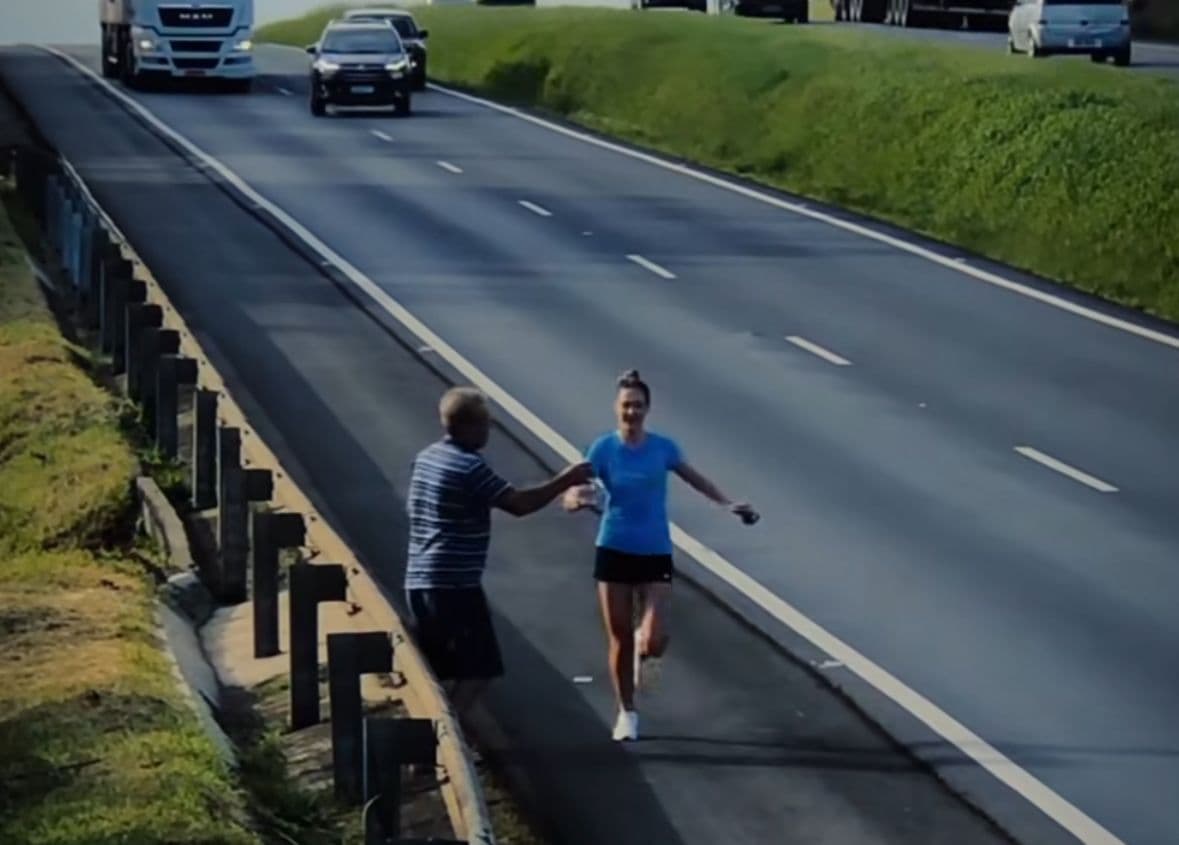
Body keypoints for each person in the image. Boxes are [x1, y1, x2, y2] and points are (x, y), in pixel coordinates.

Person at [564, 369, 758, 741]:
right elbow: (574, 487)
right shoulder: (602, 449)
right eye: (626, 405)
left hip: (654, 550)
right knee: (619, 637)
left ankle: (647, 652)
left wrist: (727, 503)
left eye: (638, 405)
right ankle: (627, 712)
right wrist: (575, 500)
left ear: (647, 409)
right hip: (614, 548)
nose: (631, 412)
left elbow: (694, 478)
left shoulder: (662, 448)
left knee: (653, 639)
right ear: (616, 408)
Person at [405, 386, 593, 718]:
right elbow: (518, 504)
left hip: (419, 580)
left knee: (438, 672)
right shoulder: (468, 467)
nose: (489, 430)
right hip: (454, 585)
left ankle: (447, 732)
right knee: (479, 669)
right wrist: (566, 480)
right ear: (468, 426)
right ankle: (443, 732)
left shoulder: (426, 458)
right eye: (485, 423)